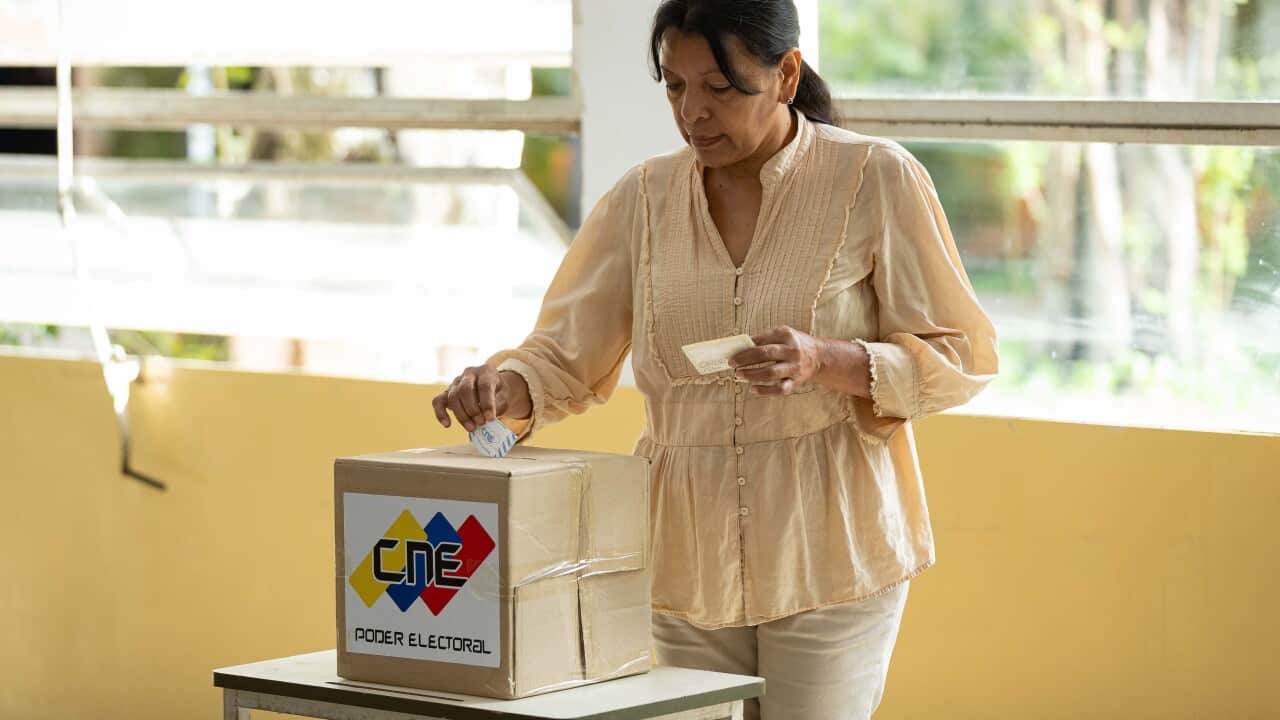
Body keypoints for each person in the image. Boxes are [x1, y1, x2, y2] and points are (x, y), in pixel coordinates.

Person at [432, 1, 998, 717]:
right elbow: (564, 357)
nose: (693, 112)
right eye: (675, 86)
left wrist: (828, 360)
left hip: (832, 547)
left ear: (787, 73)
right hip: (684, 558)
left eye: (721, 88)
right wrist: (502, 387)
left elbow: (963, 353)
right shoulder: (641, 199)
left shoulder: (874, 179)